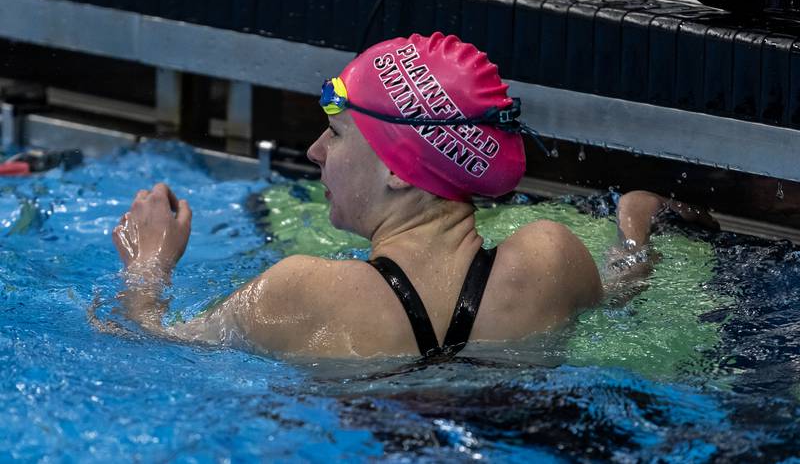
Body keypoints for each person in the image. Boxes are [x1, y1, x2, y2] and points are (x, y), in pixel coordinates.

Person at [112, 33, 677, 358]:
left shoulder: (301, 290)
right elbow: (619, 294)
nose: (313, 151)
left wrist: (148, 266)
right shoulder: (553, 260)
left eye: (335, 134)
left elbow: (148, 344)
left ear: (400, 171)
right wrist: (634, 229)